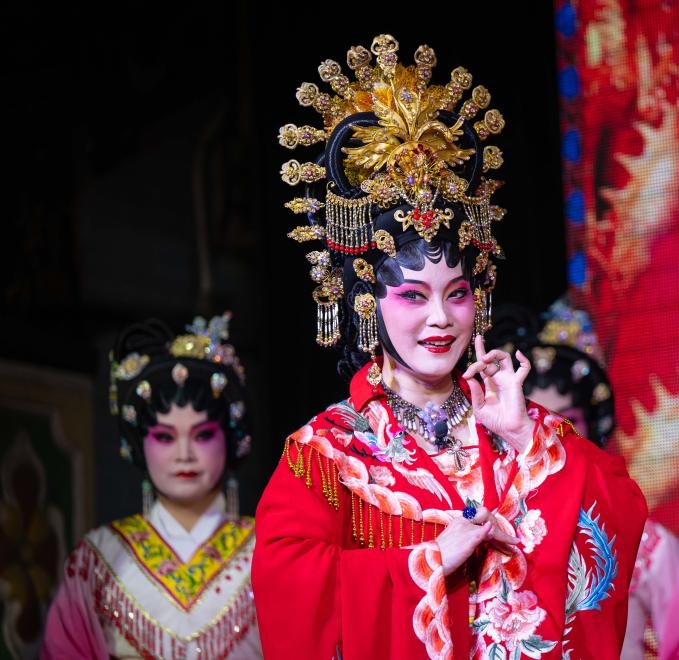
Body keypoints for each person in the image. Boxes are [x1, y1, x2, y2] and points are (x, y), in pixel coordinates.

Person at [251, 33, 648, 660]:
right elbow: (289, 594)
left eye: (457, 293)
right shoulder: (326, 455)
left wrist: (523, 441)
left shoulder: (522, 428)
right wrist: (429, 560)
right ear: (366, 301)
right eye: (412, 296)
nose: (440, 319)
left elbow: (621, 518)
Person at [488, 297, 679, 660]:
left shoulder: (644, 545)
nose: (548, 438)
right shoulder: (492, 532)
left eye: (565, 423)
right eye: (534, 423)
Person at [41, 312, 261, 659]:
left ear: (230, 439)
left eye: (202, 435)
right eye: (165, 437)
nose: (184, 454)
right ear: (140, 445)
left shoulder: (268, 551)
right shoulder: (99, 560)